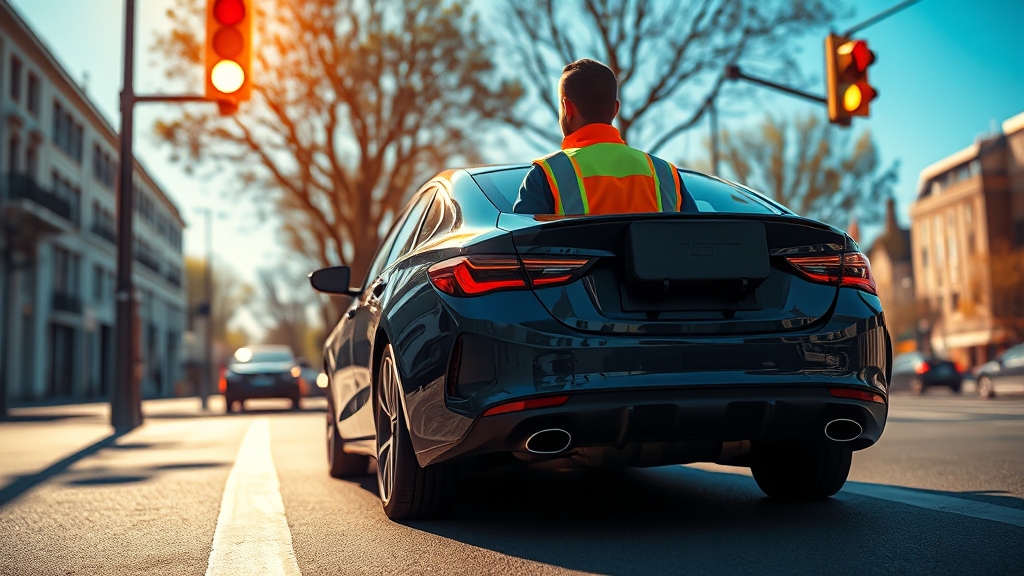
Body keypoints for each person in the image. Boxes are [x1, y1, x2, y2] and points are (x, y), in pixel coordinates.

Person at [513, 58, 694, 215]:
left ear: (567, 108)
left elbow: (520, 247)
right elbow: (699, 240)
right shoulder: (667, 175)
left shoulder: (546, 175)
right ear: (615, 110)